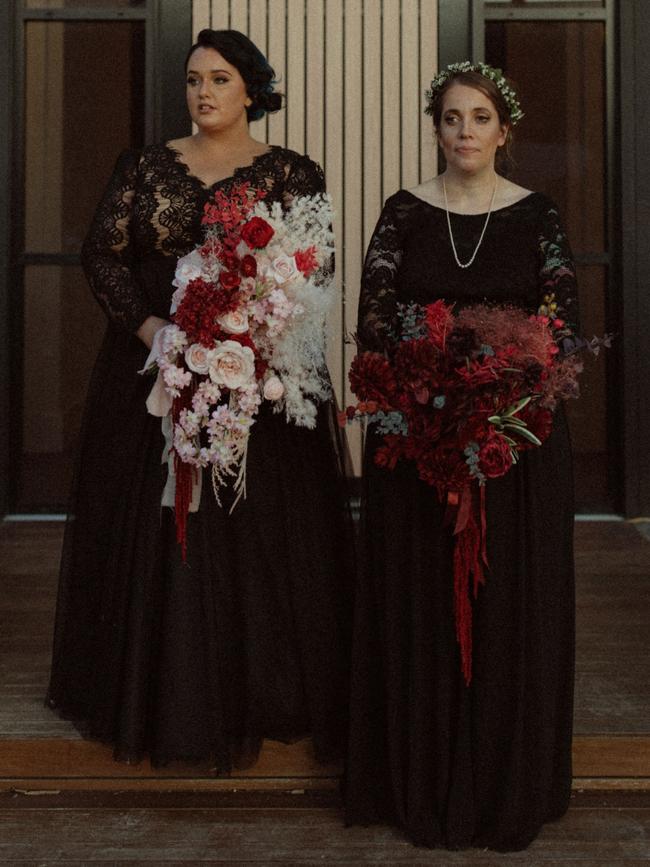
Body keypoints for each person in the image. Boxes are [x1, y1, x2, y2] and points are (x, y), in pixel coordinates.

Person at [47, 29, 352, 772]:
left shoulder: (291, 172)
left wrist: (263, 328)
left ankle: (263, 687)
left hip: (264, 379)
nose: (203, 92)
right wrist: (156, 329)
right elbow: (101, 253)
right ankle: (157, 692)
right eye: (192, 80)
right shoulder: (148, 166)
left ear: (252, 89)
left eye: (219, 78)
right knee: (156, 524)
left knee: (261, 528)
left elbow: (316, 263)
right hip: (157, 373)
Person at [344, 63, 578, 851]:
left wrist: (496, 400)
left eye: (480, 118)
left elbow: (560, 328)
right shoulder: (405, 213)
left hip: (514, 442)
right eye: (451, 118)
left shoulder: (538, 215)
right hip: (417, 442)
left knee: (506, 604)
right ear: (436, 126)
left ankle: (506, 778)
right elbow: (375, 320)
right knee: (422, 609)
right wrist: (435, 386)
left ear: (503, 129)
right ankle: (418, 777)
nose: (465, 132)